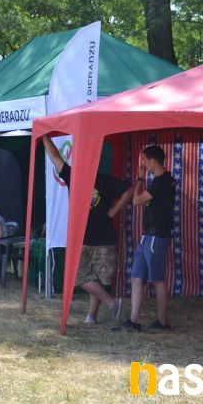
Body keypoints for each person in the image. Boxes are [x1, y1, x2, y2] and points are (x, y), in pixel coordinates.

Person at [42, 135, 133, 325]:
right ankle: (112, 304)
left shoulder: (105, 181)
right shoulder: (73, 176)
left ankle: (92, 316)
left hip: (103, 238)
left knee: (95, 278)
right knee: (79, 277)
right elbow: (55, 157)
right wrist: (44, 135)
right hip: (82, 237)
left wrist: (114, 210)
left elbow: (130, 190)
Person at [119, 144, 175, 332]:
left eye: (145, 160)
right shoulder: (162, 181)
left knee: (157, 279)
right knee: (137, 278)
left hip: (156, 236)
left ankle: (163, 321)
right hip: (148, 237)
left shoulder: (162, 181)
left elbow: (136, 201)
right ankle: (134, 320)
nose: (143, 164)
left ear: (152, 161)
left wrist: (139, 179)